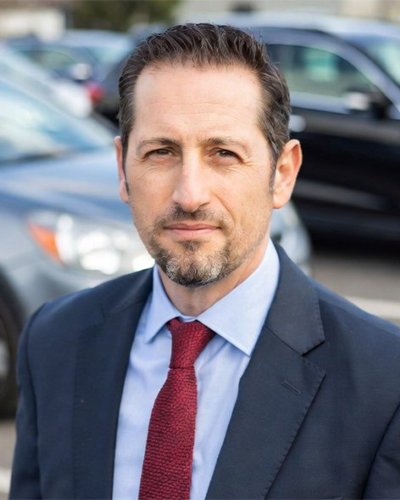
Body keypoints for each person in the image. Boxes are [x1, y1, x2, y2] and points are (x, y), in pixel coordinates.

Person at [10, 23, 400, 500]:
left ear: (282, 174)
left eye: (223, 153)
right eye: (161, 152)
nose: (189, 194)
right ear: (123, 169)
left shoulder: (384, 381)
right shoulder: (55, 339)